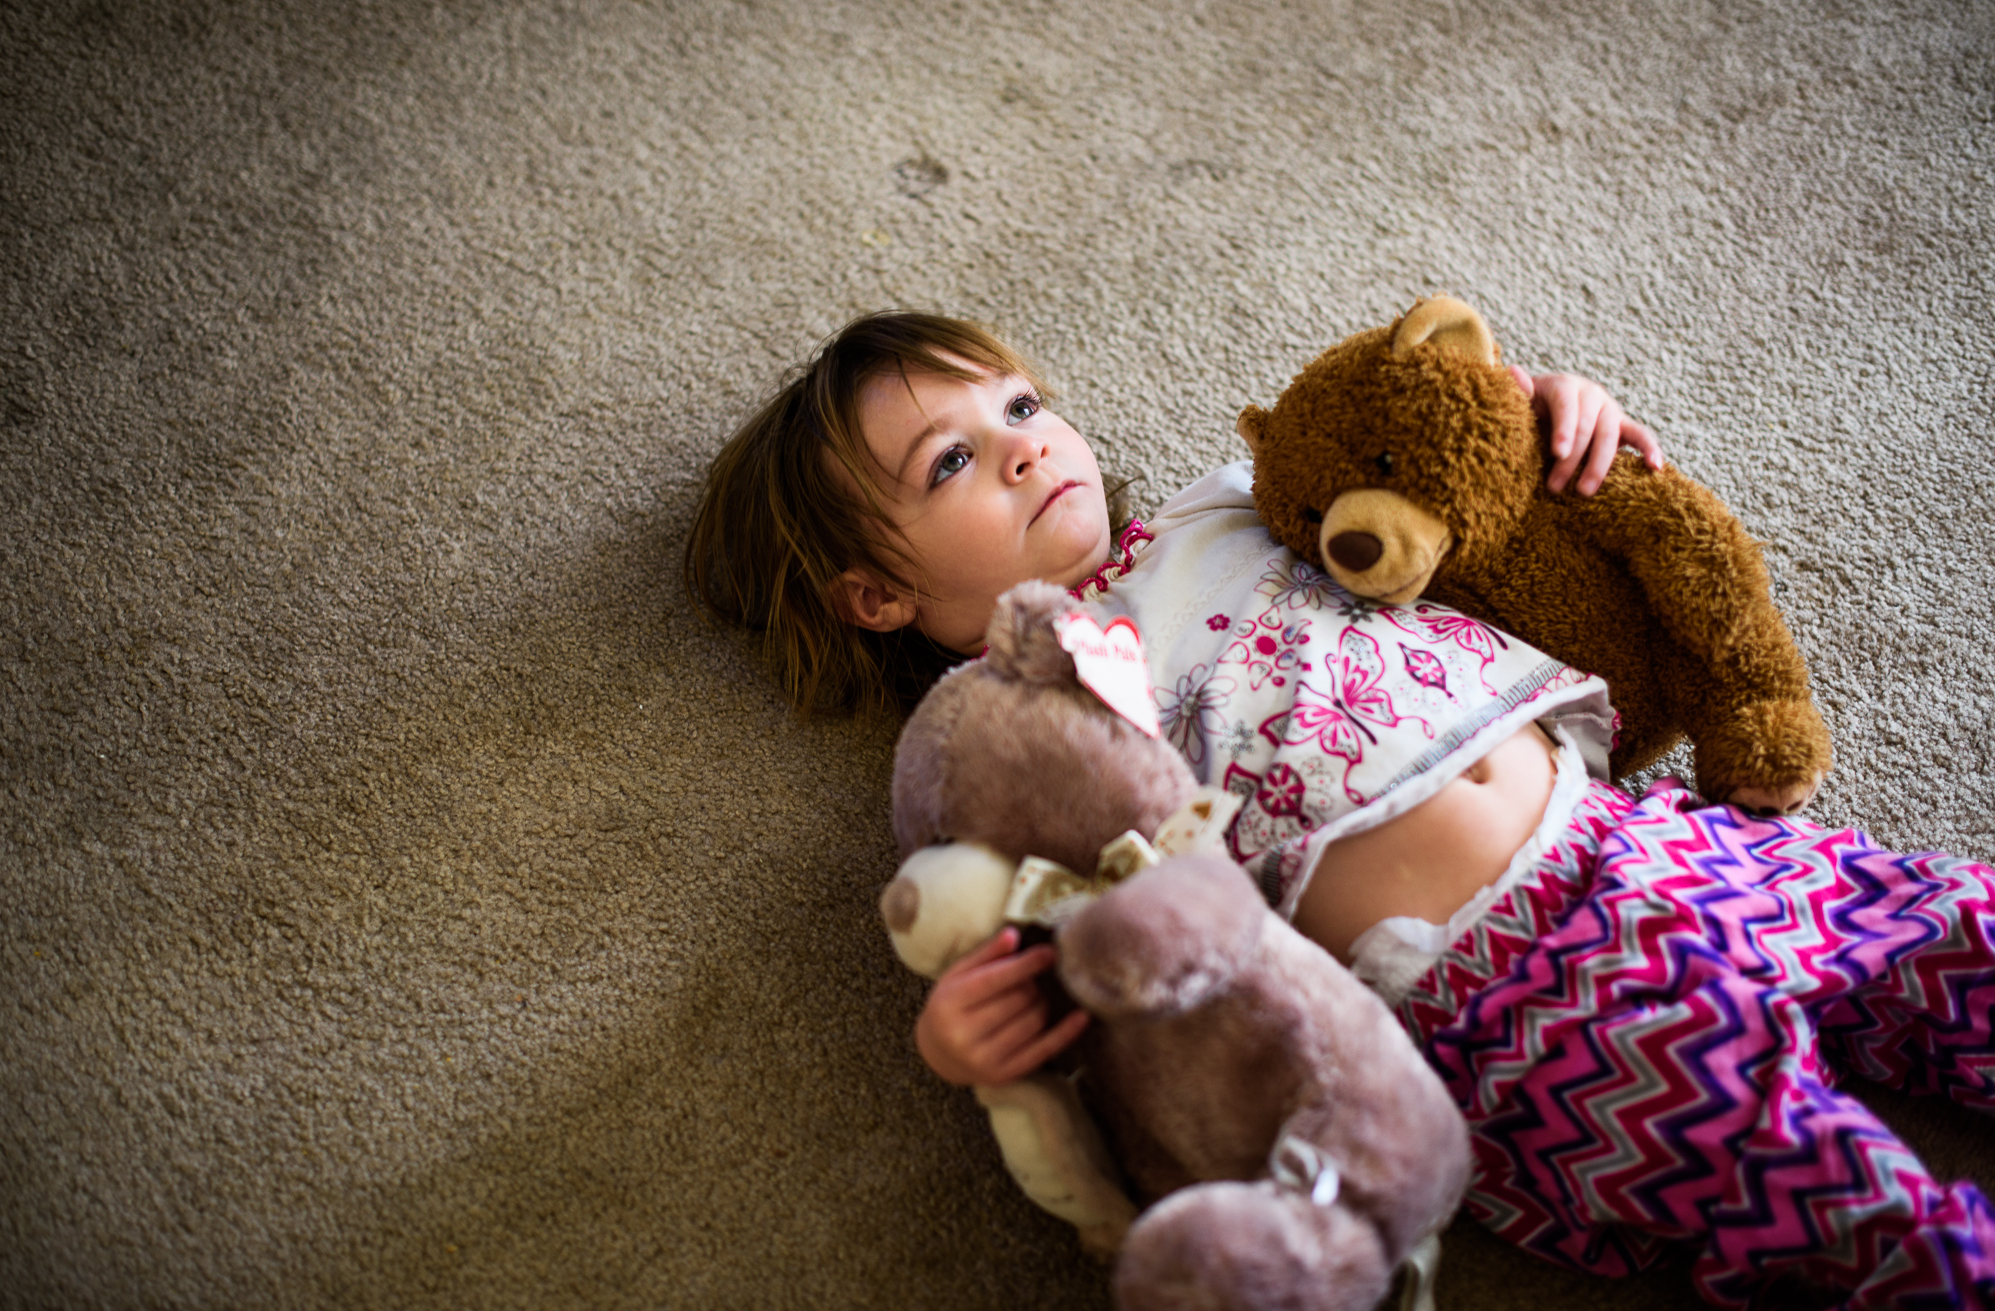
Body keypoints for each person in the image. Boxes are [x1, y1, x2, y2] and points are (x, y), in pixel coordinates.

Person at [684, 311, 1995, 1308]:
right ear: (876, 596)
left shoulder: (1238, 499)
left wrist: (1541, 416)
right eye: (955, 459)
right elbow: (1054, 935)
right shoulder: (993, 731)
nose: (1029, 441)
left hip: (1652, 835)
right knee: (1832, 1197)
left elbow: (1429, 475)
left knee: (1952, 933)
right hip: (1520, 1007)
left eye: (1022, 401)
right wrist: (982, 1040)